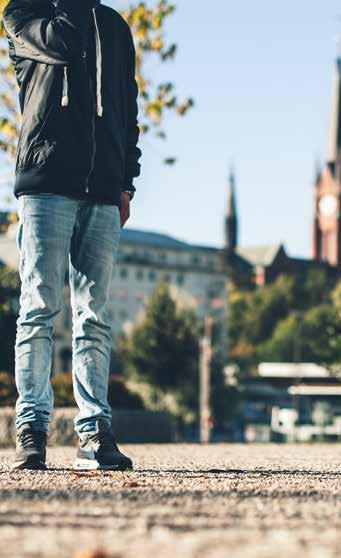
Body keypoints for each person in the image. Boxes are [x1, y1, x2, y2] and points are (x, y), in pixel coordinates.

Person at [5, 0, 141, 471]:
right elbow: (63, 43)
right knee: (39, 307)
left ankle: (94, 432)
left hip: (103, 188)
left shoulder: (116, 28)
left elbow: (127, 105)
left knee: (95, 316)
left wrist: (127, 182)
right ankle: (32, 429)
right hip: (46, 183)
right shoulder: (24, 16)